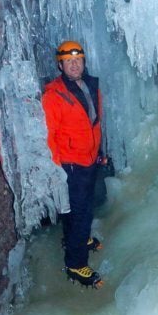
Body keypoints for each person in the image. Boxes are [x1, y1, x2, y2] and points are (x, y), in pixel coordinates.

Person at [42, 40, 105, 288]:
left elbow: (94, 123)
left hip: (88, 159)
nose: (74, 64)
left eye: (77, 59)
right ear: (61, 65)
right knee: (81, 213)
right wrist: (56, 169)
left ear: (83, 61)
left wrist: (99, 152)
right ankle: (76, 264)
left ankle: (75, 239)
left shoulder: (91, 85)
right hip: (70, 164)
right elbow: (49, 134)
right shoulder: (54, 95)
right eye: (68, 61)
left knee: (77, 209)